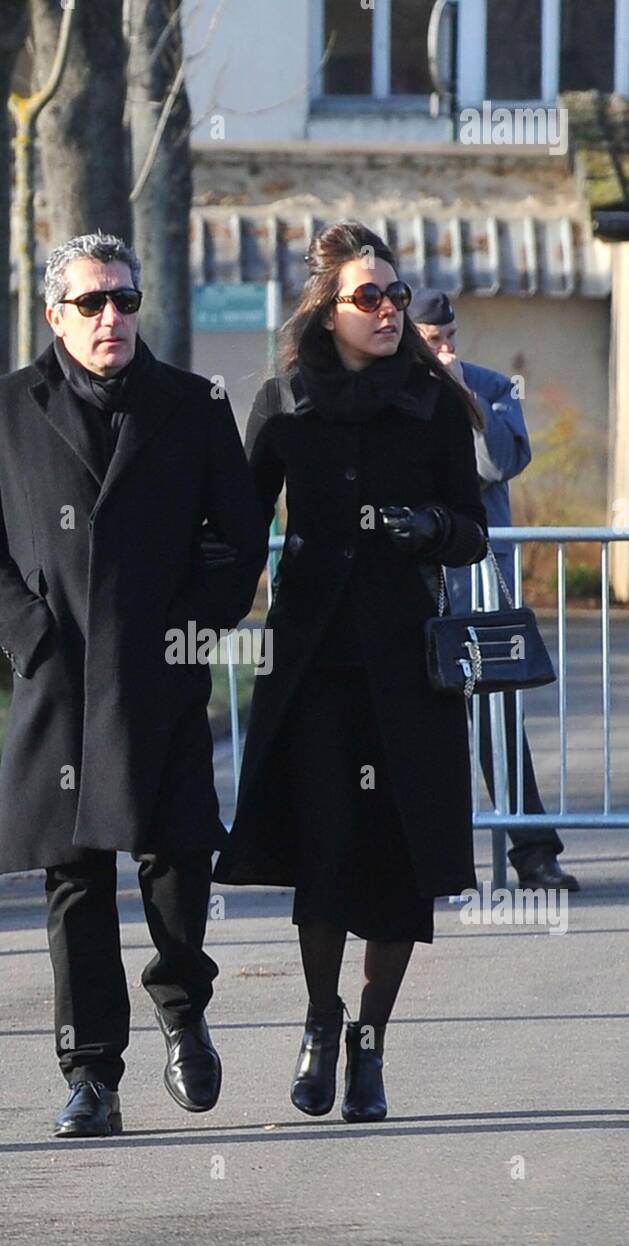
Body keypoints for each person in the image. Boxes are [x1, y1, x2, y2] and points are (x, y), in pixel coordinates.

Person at [0, 232, 268, 1137]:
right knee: (74, 881)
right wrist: (30, 636)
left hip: (158, 679)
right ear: (55, 315)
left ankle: (182, 1009)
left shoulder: (194, 404)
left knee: (175, 861)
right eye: (90, 303)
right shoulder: (2, 409)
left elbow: (239, 543)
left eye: (124, 300)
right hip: (58, 685)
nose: (111, 317)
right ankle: (92, 1075)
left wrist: (187, 632)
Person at [213, 221, 489, 1123]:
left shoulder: (434, 403)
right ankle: (320, 1023)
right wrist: (190, 616)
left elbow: (471, 525)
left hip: (406, 663)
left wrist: (427, 529)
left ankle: (370, 1042)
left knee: (399, 863)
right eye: (366, 296)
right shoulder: (284, 401)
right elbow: (239, 527)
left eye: (395, 295)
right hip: (312, 661)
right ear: (326, 310)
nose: (385, 309)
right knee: (325, 850)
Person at [409, 288, 579, 893]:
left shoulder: (493, 387)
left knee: (497, 712)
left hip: (478, 575)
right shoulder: (388, 388)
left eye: (451, 336)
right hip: (410, 576)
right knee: (411, 717)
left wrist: (467, 398)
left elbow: (495, 465)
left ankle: (533, 853)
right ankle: (424, 860)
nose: (446, 348)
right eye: (433, 341)